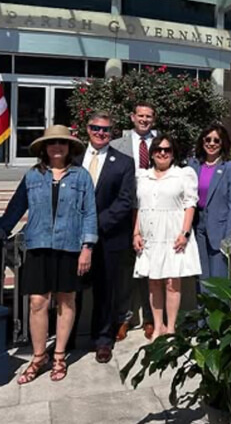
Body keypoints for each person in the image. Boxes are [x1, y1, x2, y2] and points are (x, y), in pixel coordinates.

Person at [0, 125, 97, 384]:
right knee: (37, 303)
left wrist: (87, 247)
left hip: (70, 247)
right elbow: (15, 208)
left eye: (62, 143)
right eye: (52, 143)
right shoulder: (32, 176)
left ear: (69, 148)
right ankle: (39, 356)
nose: (57, 147)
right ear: (44, 147)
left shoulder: (81, 176)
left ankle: (60, 355)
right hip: (38, 246)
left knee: (66, 301)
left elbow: (90, 214)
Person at [75, 112, 136, 364]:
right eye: (95, 128)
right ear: (87, 129)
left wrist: (93, 226)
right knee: (71, 291)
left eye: (106, 130)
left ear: (112, 133)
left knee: (105, 291)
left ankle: (103, 340)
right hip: (72, 237)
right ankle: (66, 339)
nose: (100, 133)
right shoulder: (73, 158)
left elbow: (125, 201)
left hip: (108, 238)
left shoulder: (123, 162)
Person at [134, 135, 202, 337]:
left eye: (167, 149)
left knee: (172, 283)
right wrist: (136, 232)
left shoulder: (183, 175)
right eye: (158, 149)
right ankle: (158, 326)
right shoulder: (142, 176)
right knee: (154, 281)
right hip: (150, 235)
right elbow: (138, 207)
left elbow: (190, 204)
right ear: (152, 153)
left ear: (173, 153)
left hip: (172, 233)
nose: (162, 153)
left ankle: (171, 328)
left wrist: (185, 233)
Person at [110, 102, 158, 341]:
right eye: (140, 115)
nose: (144, 120)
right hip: (124, 214)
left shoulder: (162, 144)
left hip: (152, 213)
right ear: (132, 117)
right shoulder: (116, 144)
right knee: (125, 270)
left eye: (148, 116)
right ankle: (124, 318)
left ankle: (149, 318)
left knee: (149, 269)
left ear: (154, 119)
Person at [187, 124, 231, 288]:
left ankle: (218, 313)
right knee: (201, 275)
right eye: (208, 139)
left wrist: (230, 235)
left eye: (216, 140)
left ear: (222, 143)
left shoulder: (229, 167)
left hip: (220, 228)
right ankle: (202, 312)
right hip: (197, 226)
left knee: (218, 277)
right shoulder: (193, 165)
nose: (211, 143)